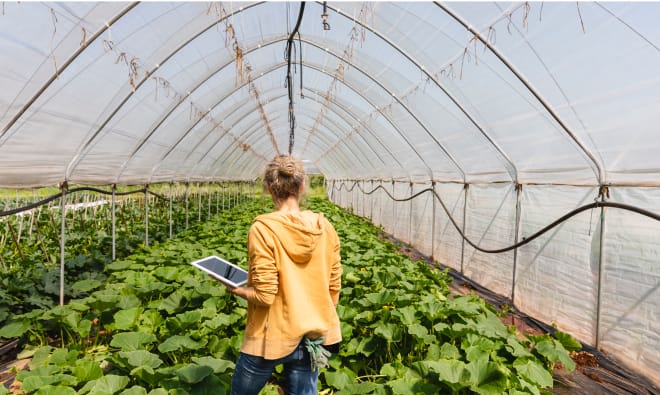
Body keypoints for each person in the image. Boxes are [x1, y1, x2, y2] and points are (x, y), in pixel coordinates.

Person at [223, 155, 342, 395]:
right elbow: (334, 285)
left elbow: (266, 296)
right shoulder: (324, 226)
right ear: (303, 186)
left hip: (270, 337)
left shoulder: (263, 229)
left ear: (268, 187)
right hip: (312, 335)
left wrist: (238, 289)